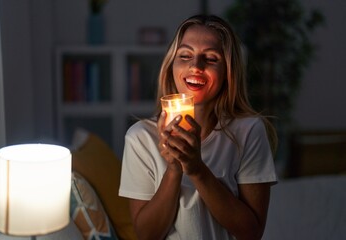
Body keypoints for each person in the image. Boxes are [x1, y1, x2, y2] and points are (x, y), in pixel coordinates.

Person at [119, 14, 278, 240]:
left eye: (211, 58)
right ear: (171, 65)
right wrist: (174, 169)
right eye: (185, 55)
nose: (196, 66)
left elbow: (251, 233)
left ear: (228, 72)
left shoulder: (249, 131)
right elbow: (147, 235)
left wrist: (196, 169)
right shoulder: (140, 138)